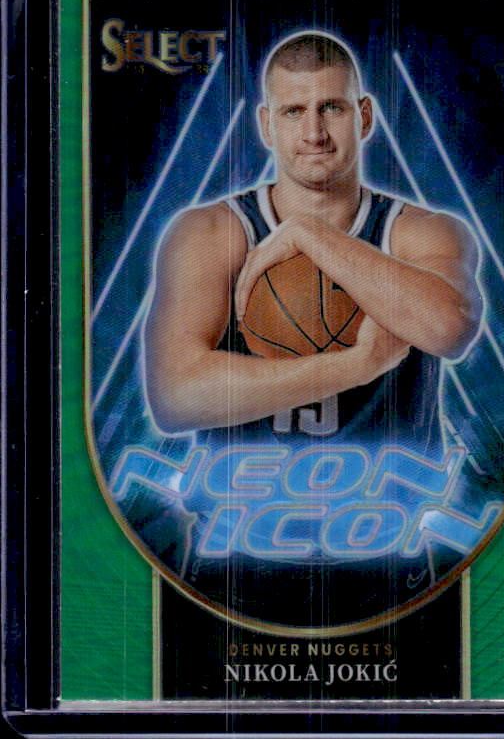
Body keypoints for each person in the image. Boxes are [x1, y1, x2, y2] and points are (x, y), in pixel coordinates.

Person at [143, 32, 482, 456]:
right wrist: (357, 365)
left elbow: (450, 332)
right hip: (236, 497)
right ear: (266, 125)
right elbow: (174, 397)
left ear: (364, 117)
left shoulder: (420, 232)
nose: (314, 133)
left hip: (393, 496)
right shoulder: (211, 233)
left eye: (332, 108)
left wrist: (310, 233)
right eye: (293, 112)